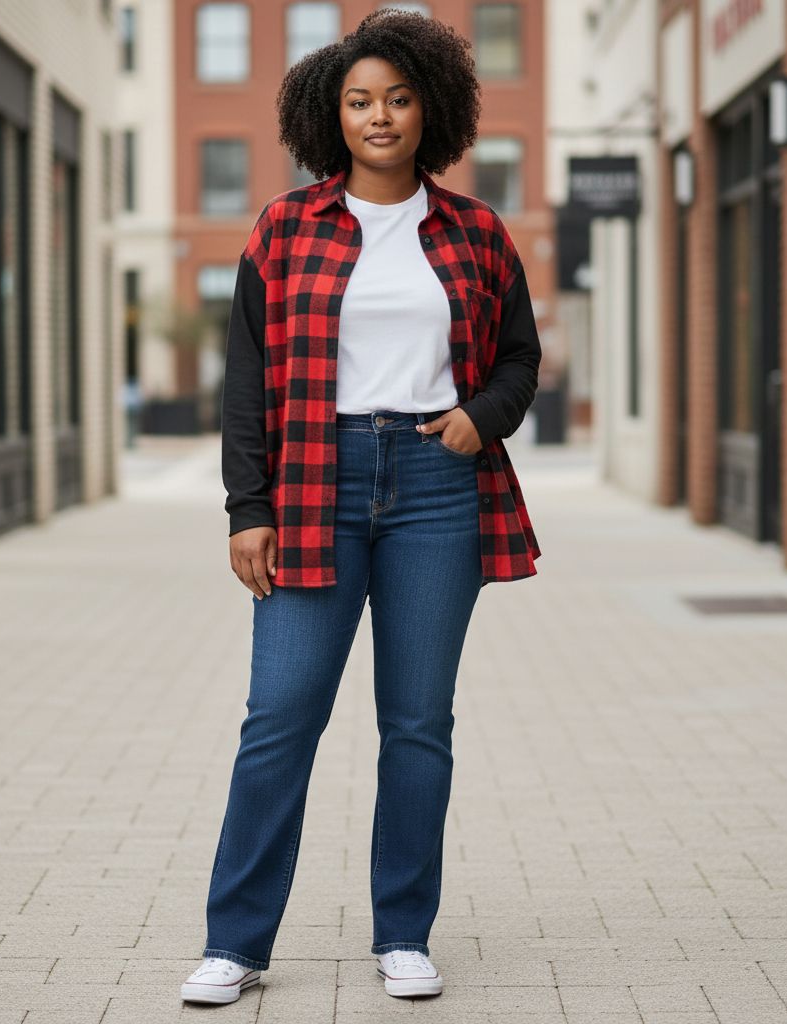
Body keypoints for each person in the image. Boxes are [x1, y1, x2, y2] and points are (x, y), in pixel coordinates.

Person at [181, 7, 542, 1006]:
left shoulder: (476, 232)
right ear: (329, 117)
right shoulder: (284, 227)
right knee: (279, 717)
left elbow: (519, 357)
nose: (379, 116)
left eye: (397, 98)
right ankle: (235, 941)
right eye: (358, 101)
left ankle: (404, 934)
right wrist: (245, 507)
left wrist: (478, 418)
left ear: (430, 110)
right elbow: (246, 379)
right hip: (313, 483)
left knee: (418, 724)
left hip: (436, 485)